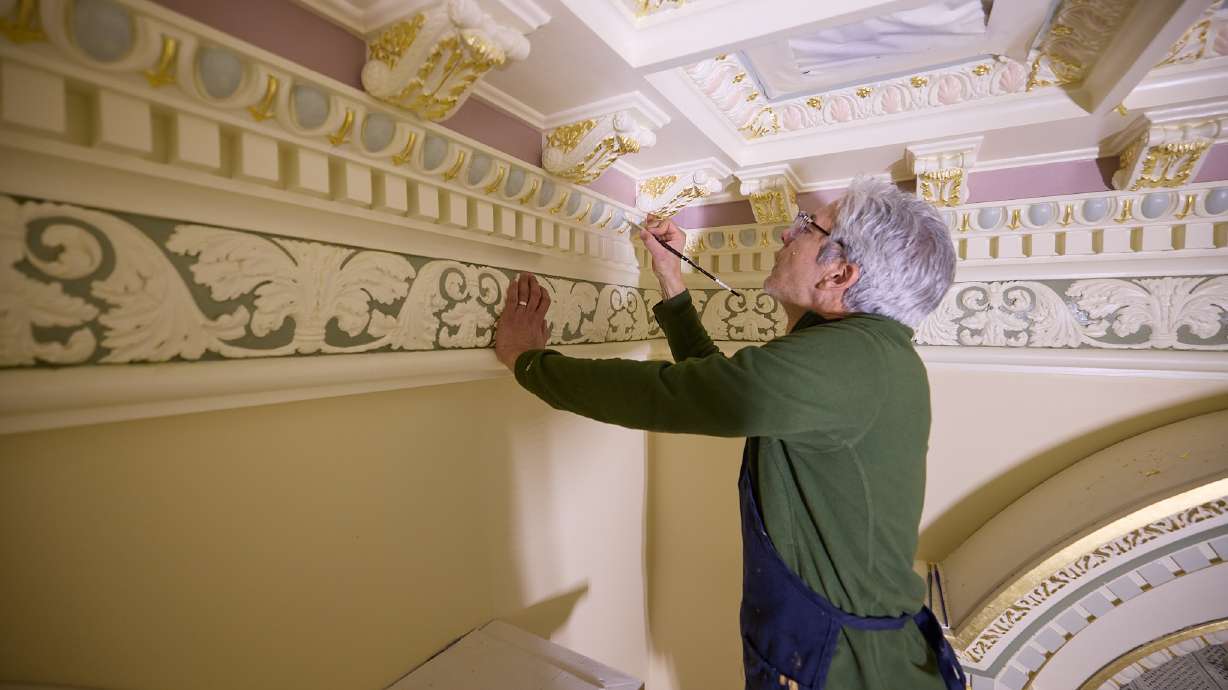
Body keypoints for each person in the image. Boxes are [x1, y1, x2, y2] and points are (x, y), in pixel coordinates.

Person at [492, 177, 964, 690]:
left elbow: (682, 394)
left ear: (839, 273)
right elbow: (724, 390)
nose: (787, 234)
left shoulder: (848, 362)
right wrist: (671, 279)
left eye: (807, 227)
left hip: (849, 667)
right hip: (844, 651)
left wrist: (528, 362)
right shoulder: (868, 356)